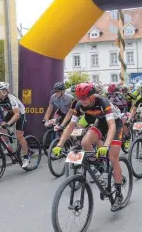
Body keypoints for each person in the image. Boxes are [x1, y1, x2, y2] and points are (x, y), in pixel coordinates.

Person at [52, 83, 125, 211]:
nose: (82, 100)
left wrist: (106, 145)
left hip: (115, 122)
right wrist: (59, 144)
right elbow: (71, 126)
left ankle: (118, 192)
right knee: (85, 142)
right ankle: (99, 164)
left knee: (113, 157)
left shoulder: (102, 101)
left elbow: (112, 126)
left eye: (85, 97)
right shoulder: (79, 104)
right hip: (101, 122)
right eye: (79, 97)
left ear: (92, 96)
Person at [0, 82, 30, 168]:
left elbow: (17, 114)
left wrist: (8, 124)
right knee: (1, 127)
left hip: (20, 113)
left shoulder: (11, 98)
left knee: (19, 135)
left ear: (4, 91)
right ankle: (9, 147)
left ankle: (26, 156)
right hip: (10, 113)